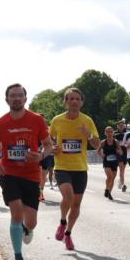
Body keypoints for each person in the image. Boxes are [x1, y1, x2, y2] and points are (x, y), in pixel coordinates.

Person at [0, 84, 52, 260]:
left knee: (31, 222)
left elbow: (48, 145)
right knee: (16, 213)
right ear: (6, 99)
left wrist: (40, 155)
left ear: (25, 98)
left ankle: (26, 228)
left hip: (31, 175)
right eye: (13, 96)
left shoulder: (37, 120)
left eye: (19, 95)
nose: (16, 98)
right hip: (9, 174)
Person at [48, 87, 100, 250]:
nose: (74, 101)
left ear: (81, 102)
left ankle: (68, 234)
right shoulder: (57, 120)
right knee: (68, 196)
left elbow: (97, 144)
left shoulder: (87, 120)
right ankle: (62, 222)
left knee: (76, 205)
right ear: (65, 102)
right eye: (70, 99)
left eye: (77, 99)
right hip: (62, 166)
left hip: (80, 168)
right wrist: (53, 147)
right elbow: (48, 139)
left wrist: (88, 134)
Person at [98, 126, 121, 200]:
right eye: (108, 132)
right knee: (110, 176)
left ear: (113, 133)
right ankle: (107, 189)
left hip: (114, 162)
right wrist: (101, 155)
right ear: (105, 133)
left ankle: (109, 192)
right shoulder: (103, 142)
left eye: (111, 132)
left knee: (112, 179)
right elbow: (98, 150)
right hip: (107, 162)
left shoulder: (116, 142)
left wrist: (118, 151)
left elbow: (121, 151)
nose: (109, 133)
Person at [115, 119, 129, 192]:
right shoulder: (114, 134)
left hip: (125, 153)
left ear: (124, 126)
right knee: (121, 168)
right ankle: (123, 184)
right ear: (117, 126)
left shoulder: (127, 134)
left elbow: (129, 143)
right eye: (120, 125)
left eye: (122, 125)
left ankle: (120, 181)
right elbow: (112, 143)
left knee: (123, 169)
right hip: (118, 153)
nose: (121, 127)